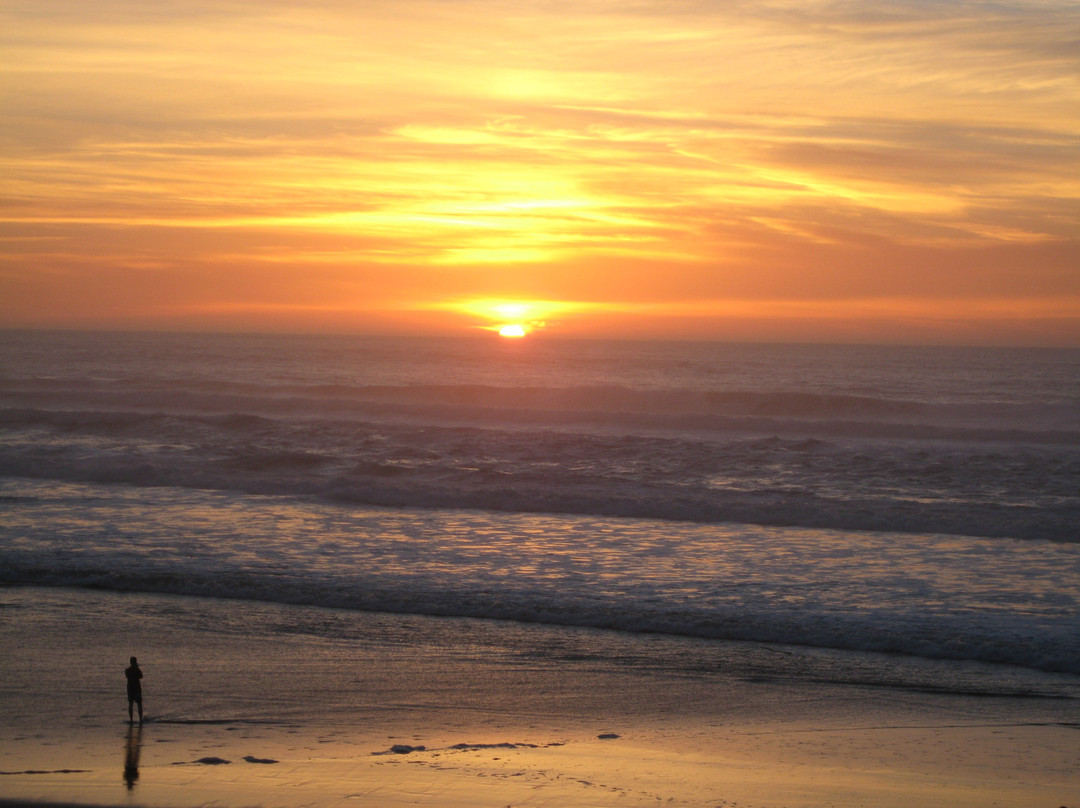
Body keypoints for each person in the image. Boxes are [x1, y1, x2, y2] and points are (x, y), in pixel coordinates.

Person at [125, 656, 143, 724]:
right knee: (139, 704)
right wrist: (137, 668)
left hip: (130, 689)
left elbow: (127, 676)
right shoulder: (137, 670)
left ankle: (131, 719)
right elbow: (141, 676)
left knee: (130, 704)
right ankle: (140, 719)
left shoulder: (127, 670)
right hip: (137, 688)